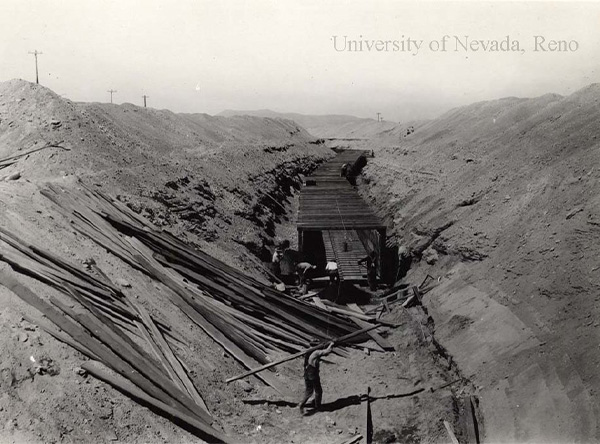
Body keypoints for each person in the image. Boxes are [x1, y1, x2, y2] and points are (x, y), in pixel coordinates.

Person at [299, 341, 334, 415]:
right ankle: (318, 406)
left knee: (309, 391)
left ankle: (302, 404)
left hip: (307, 374)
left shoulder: (308, 351)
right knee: (318, 390)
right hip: (313, 374)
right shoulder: (316, 352)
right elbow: (327, 352)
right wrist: (331, 344)